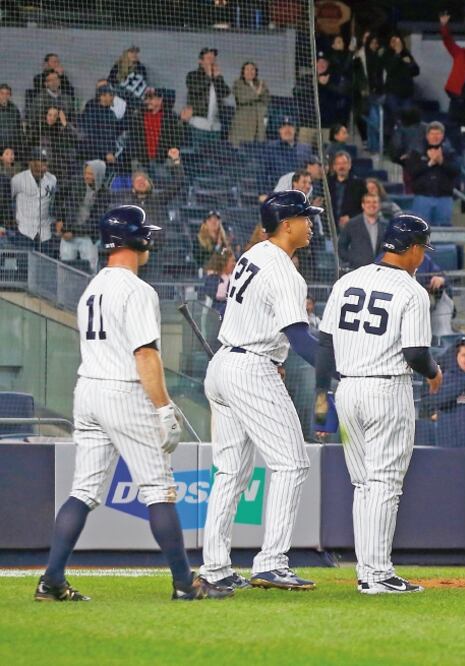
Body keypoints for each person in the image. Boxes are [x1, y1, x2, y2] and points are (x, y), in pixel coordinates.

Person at [35, 205, 231, 602]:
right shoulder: (138, 290)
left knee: (84, 491)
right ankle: (184, 583)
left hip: (87, 389)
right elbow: (145, 356)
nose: (150, 240)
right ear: (133, 239)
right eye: (146, 233)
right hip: (122, 390)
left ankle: (51, 580)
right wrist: (162, 406)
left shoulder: (93, 287)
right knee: (158, 489)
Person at [199, 191, 321, 592]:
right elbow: (300, 339)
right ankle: (271, 561)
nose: (311, 223)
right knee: (292, 463)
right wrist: (344, 367)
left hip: (224, 364)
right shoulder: (285, 271)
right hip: (251, 368)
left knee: (231, 473)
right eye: (306, 217)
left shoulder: (252, 255)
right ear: (287, 224)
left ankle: (214, 566)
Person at [319, 214, 443, 594]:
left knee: (363, 484)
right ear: (412, 248)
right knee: (385, 484)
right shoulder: (412, 291)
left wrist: (323, 396)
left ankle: (367, 571)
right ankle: (377, 574)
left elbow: (325, 344)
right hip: (387, 390)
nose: (423, 256)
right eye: (422, 249)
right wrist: (435, 373)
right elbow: (416, 352)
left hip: (348, 390)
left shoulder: (347, 281)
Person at [56, 159, 107, 272]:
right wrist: (59, 220)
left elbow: (96, 220)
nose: (87, 176)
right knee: (65, 267)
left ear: (98, 175)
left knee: (91, 268)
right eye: (86, 173)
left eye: (90, 174)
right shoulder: (75, 183)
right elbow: (58, 198)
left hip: (88, 236)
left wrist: (73, 232)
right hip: (67, 233)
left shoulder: (104, 194)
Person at [404, 122, 459, 226]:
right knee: (420, 232)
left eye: (438, 134)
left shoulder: (450, 153)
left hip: (444, 198)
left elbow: (456, 171)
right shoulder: (417, 152)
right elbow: (413, 172)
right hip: (422, 198)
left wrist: (441, 162)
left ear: (442, 136)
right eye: (432, 134)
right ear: (427, 136)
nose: (435, 137)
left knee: (443, 232)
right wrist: (430, 163)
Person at [8, 148, 60, 256]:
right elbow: (7, 200)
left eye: (45, 161)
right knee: (25, 267)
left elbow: (56, 202)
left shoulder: (52, 179)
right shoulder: (18, 179)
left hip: (45, 233)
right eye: (40, 161)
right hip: (24, 231)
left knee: (46, 267)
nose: (43, 165)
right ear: (31, 163)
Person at [126, 88, 189, 171]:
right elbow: (133, 139)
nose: (147, 101)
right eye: (146, 98)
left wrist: (183, 123)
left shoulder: (171, 117)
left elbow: (177, 140)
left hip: (163, 159)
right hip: (142, 159)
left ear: (160, 100)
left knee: (177, 163)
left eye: (151, 98)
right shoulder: (138, 115)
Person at [185, 47, 230, 144]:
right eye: (209, 59)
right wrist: (208, 76)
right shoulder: (193, 75)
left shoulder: (217, 78)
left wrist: (218, 78)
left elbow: (226, 92)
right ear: (200, 61)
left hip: (215, 126)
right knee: (199, 156)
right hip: (199, 124)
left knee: (214, 157)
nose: (212, 62)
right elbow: (195, 88)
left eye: (213, 59)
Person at [338, 191, 388, 272]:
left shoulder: (385, 225)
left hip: (379, 272)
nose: (372, 205)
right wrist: (352, 260)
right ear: (363, 205)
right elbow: (341, 246)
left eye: (374, 202)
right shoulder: (352, 224)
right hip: (357, 270)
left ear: (379, 205)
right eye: (368, 202)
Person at [382, 34, 420, 133]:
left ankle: (405, 140)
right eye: (394, 42)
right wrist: (397, 55)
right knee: (395, 117)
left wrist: (410, 64)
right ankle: (393, 141)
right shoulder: (387, 54)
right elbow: (390, 69)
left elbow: (416, 71)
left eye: (399, 42)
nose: (397, 44)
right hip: (393, 93)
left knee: (407, 119)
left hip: (406, 93)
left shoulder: (407, 54)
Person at [229, 61, 270, 146]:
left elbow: (266, 99)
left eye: (252, 69)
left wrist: (259, 92)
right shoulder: (238, 84)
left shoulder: (261, 84)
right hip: (243, 125)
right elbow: (242, 98)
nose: (250, 72)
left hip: (259, 125)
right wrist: (257, 93)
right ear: (243, 72)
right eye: (247, 69)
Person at [326, 150, 366, 227]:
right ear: (334, 166)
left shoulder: (359, 184)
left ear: (349, 165)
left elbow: (364, 207)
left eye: (344, 163)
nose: (341, 166)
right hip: (329, 227)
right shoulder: (327, 183)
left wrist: (351, 217)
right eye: (338, 164)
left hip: (351, 226)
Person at [0, 83, 23, 155]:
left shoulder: (15, 109)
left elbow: (19, 129)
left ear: (10, 95)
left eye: (7, 94)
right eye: (2, 93)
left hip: (13, 147)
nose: (4, 96)